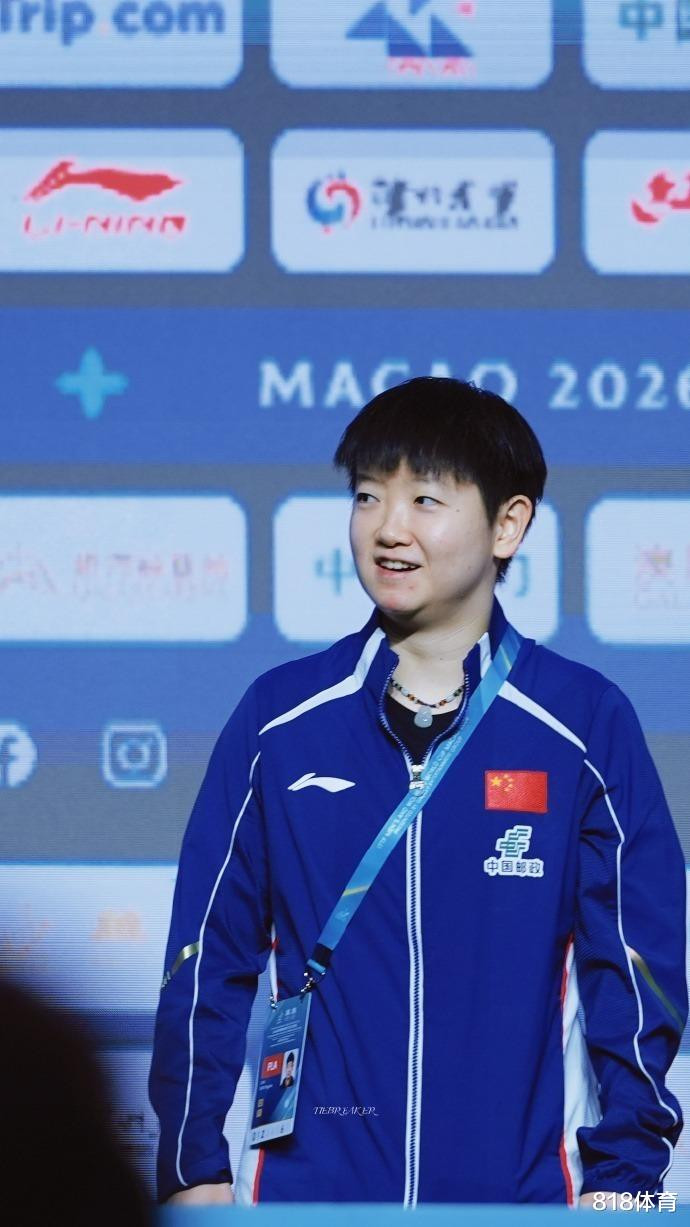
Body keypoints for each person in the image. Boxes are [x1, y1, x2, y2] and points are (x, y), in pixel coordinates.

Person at [149, 377, 687, 1208]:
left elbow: (637, 969)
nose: (388, 527)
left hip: (523, 1204)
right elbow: (205, 958)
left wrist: (625, 1184)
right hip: (305, 1201)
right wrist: (193, 1171)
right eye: (368, 495)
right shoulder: (281, 719)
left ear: (508, 523)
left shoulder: (582, 722)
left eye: (425, 498)